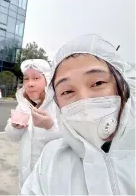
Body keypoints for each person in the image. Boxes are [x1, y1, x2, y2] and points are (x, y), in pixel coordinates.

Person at [21, 34, 135, 195]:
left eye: (98, 83)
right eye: (67, 91)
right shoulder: (51, 161)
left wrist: (50, 126)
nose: (84, 98)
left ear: (123, 85)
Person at [5, 59, 60, 188]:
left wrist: (50, 126)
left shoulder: (58, 105)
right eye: (26, 79)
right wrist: (15, 127)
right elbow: (11, 136)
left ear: (47, 80)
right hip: (26, 175)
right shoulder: (23, 105)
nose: (30, 84)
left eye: (36, 78)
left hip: (51, 178)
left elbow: (72, 137)